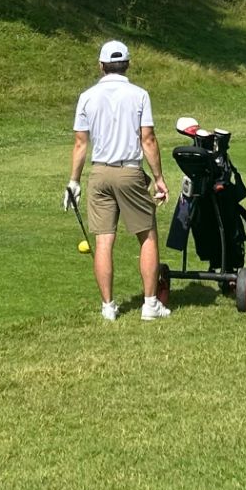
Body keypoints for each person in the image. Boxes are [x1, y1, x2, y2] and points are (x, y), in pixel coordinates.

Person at [64, 39, 171, 322]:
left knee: (103, 240)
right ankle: (150, 305)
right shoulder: (139, 95)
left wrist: (74, 181)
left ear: (101, 66)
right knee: (147, 235)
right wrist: (159, 178)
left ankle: (108, 307)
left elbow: (80, 143)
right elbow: (147, 139)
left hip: (99, 173)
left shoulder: (87, 96)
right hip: (130, 172)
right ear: (128, 65)